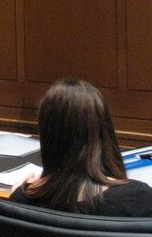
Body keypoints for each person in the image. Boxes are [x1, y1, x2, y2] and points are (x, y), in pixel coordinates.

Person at [10, 78, 152, 215]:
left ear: (47, 135)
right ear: (104, 130)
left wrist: (18, 197)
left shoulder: (24, 200)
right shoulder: (139, 199)